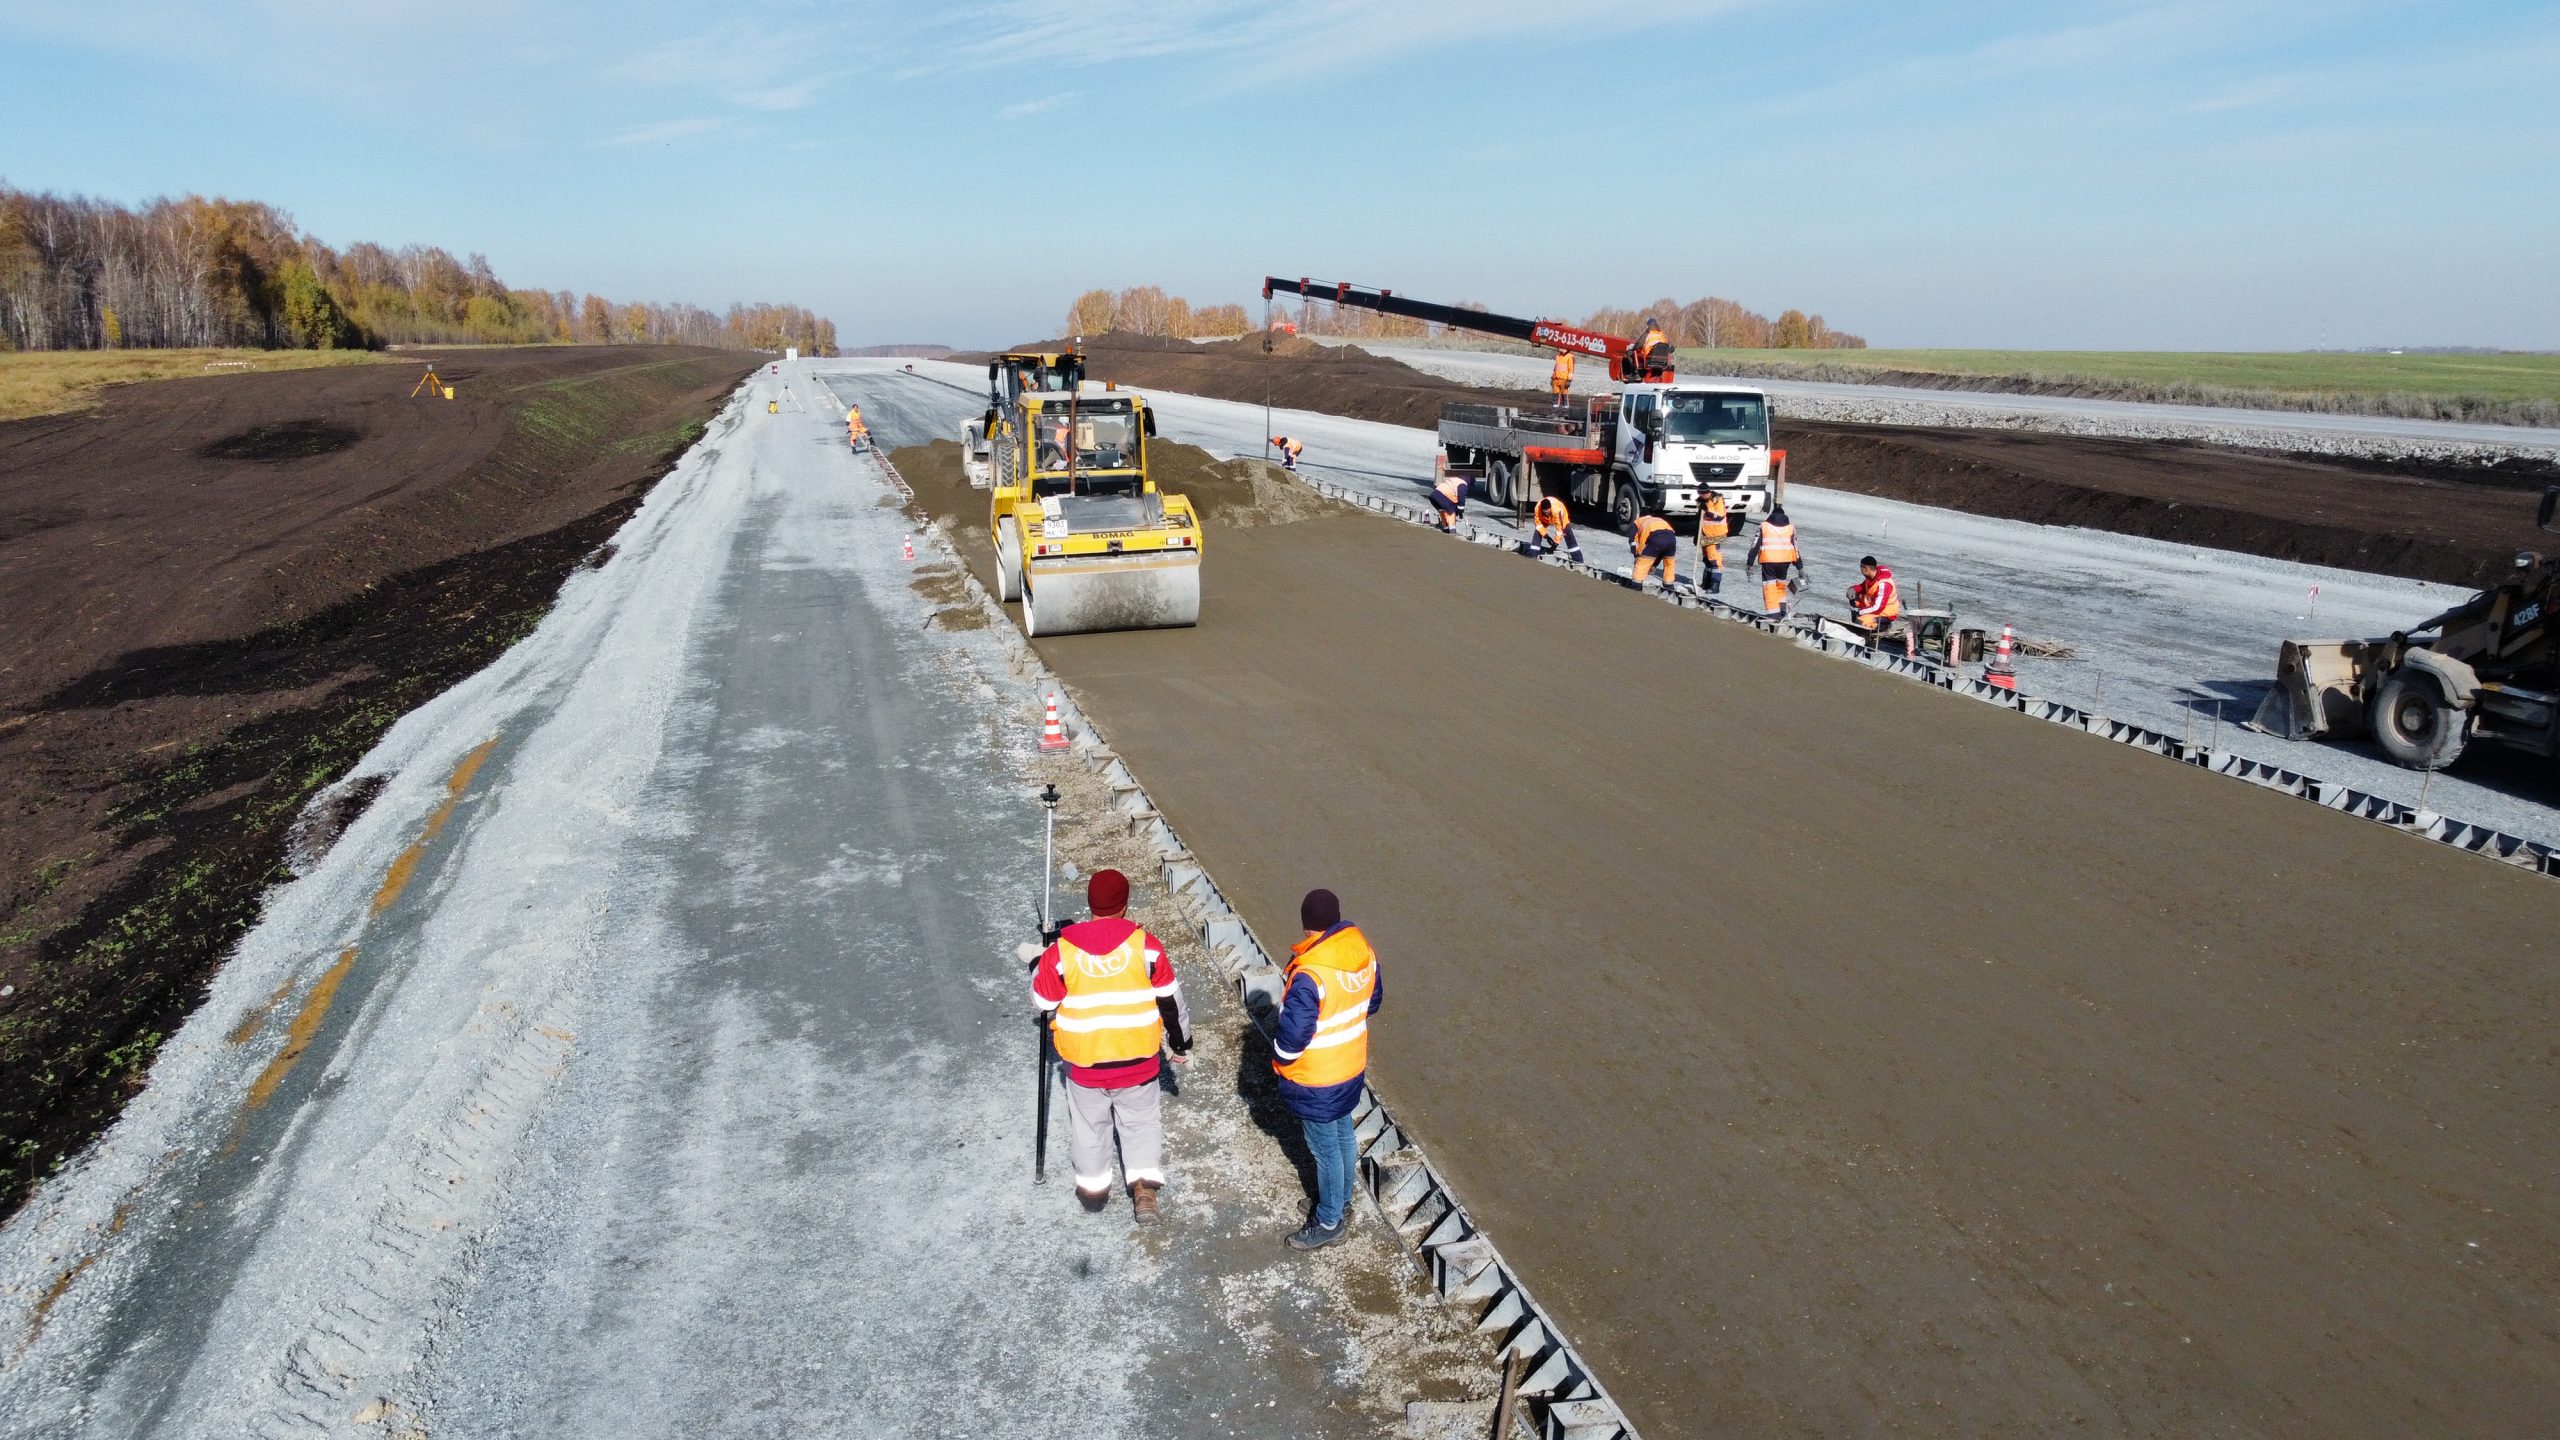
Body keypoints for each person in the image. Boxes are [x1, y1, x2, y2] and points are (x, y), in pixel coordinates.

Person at [1031, 869, 1192, 1223]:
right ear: (1125, 904)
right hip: (1138, 1063)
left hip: (1086, 1066)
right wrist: (1181, 1043)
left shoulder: (1062, 951)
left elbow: (1042, 1002)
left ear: (1090, 904)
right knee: (1141, 1123)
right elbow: (1170, 1000)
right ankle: (1144, 1192)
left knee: (1090, 1127)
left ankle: (1093, 1192)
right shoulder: (1146, 946)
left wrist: (1037, 963)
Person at [1274, 888, 1381, 1251]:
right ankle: (1340, 1202)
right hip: (1351, 1065)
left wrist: (1279, 1059)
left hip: (1316, 1076)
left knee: (1325, 1150)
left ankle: (1329, 1221)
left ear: (1307, 927)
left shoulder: (1310, 973)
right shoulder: (1362, 951)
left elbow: (1292, 1039)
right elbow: (1373, 1001)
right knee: (1343, 1136)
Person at [1748, 505, 1799, 616]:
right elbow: (1795, 548)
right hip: (1785, 562)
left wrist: (1749, 563)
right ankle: (1782, 612)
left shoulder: (1764, 526)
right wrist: (1800, 567)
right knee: (1780, 586)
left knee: (1769, 587)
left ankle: (1773, 615)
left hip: (1768, 561)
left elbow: (1755, 545)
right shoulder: (1790, 528)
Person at [1847, 555, 1903, 634]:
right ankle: (1857, 621)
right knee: (1854, 598)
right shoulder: (1871, 577)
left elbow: (1878, 608)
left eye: (1861, 567)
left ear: (1866, 568)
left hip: (1885, 613)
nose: (1860, 570)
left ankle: (1883, 625)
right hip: (1873, 605)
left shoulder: (1883, 584)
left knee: (1861, 622)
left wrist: (1860, 612)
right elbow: (1863, 586)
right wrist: (1854, 589)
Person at [1629, 509, 1679, 590]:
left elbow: (1636, 541)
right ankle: (1669, 585)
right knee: (1669, 562)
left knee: (1643, 563)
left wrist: (1638, 556)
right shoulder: (1657, 520)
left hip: (1657, 537)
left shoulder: (1638, 522)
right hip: (1671, 538)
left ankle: (1636, 586)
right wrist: (1654, 564)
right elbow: (1659, 552)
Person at [1529, 492, 1582, 562]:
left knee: (1568, 534)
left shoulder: (1557, 510)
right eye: (1544, 511)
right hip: (1544, 519)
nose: (1546, 512)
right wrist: (1546, 536)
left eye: (1547, 510)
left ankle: (1578, 560)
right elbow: (1538, 525)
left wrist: (1555, 544)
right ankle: (1533, 555)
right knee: (1538, 532)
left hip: (1561, 518)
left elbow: (1559, 529)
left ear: (1550, 508)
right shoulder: (1537, 509)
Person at [1695, 492, 1731, 594]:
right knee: (1707, 559)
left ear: (1708, 492)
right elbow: (1700, 520)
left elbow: (1719, 516)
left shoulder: (1717, 500)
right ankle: (1706, 583)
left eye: (1703, 494)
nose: (1701, 495)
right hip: (1705, 534)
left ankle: (1715, 585)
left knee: (1714, 559)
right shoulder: (1703, 501)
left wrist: (1707, 509)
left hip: (1714, 535)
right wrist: (1696, 535)